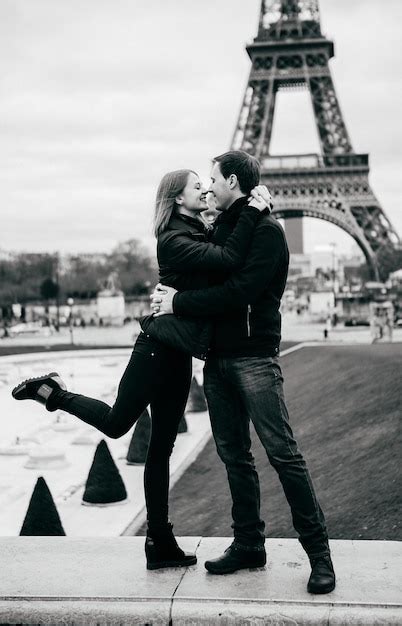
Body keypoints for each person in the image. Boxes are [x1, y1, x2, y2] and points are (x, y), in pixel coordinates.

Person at [11, 167, 270, 570]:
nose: (204, 190)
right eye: (196, 186)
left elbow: (225, 252)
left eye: (207, 184)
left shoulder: (198, 229)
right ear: (176, 198)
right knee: (117, 424)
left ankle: (159, 541)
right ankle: (52, 392)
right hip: (155, 349)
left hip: (178, 351)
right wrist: (254, 210)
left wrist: (245, 209)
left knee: (161, 450)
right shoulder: (172, 239)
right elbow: (229, 257)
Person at [151, 150, 336, 594]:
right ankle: (250, 543)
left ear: (232, 181)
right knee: (235, 457)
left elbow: (239, 292)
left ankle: (320, 554)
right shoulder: (227, 227)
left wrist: (178, 303)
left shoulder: (267, 232)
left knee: (283, 455)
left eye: (213, 179)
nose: (209, 186)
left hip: (254, 357)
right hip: (217, 360)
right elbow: (209, 267)